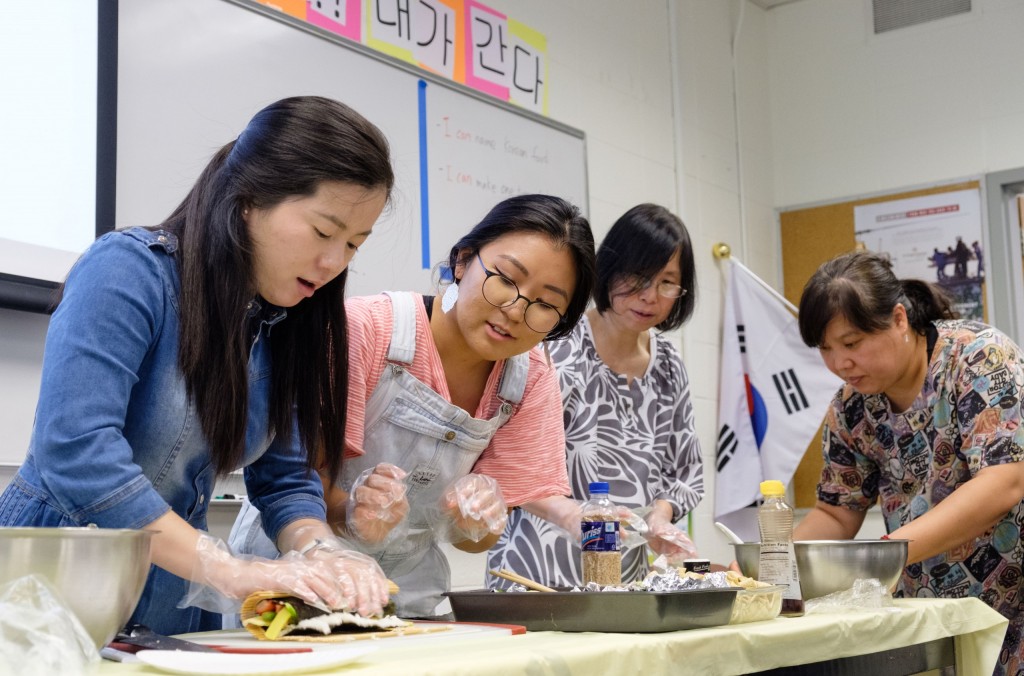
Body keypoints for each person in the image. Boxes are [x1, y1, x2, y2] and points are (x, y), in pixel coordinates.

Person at [0, 96, 396, 636]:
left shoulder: (290, 321)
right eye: (324, 232)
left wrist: (321, 548)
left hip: (175, 596)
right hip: (55, 578)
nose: (334, 264)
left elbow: (283, 481)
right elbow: (75, 451)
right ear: (249, 199)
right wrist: (225, 568)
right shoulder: (128, 270)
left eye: (354, 244)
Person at [230, 194, 599, 618]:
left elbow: (474, 542)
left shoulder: (529, 377)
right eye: (506, 279)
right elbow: (292, 485)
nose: (516, 310)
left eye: (546, 305)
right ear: (462, 261)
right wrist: (350, 514)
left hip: (409, 599)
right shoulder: (367, 330)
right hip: (296, 582)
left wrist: (476, 518)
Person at [794, 250, 1024, 674]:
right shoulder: (851, 408)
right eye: (825, 349)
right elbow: (836, 510)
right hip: (928, 617)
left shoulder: (976, 357)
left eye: (851, 343)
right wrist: (775, 562)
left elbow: (1005, 479)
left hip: (1012, 604)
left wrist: (888, 554)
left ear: (899, 319)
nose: (839, 363)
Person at [486, 204, 703, 588]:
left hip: (625, 579)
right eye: (637, 277)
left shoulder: (669, 364)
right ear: (608, 269)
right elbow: (502, 457)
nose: (650, 296)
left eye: (667, 283)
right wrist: (571, 515)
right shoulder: (553, 346)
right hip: (535, 568)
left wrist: (660, 518)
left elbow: (683, 472)